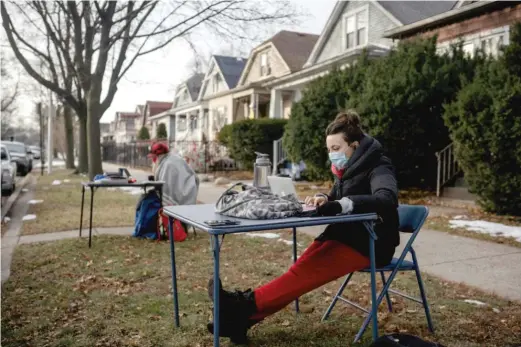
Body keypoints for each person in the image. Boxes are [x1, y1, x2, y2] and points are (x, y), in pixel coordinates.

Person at [207, 110, 399, 344]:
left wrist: (343, 204)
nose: (331, 155)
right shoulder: (349, 168)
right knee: (298, 273)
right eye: (329, 149)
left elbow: (386, 199)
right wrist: (322, 198)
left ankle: (239, 306)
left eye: (336, 149)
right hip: (346, 235)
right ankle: (241, 320)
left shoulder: (379, 165)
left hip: (371, 242)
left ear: (355, 145)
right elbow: (336, 197)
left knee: (302, 275)